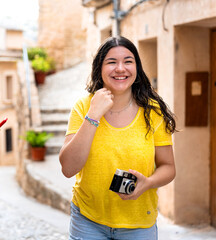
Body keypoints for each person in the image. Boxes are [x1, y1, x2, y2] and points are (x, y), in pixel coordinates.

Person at [59, 36, 176, 240]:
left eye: (128, 61)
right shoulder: (84, 107)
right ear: (100, 69)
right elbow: (68, 168)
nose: (120, 68)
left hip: (139, 223)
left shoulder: (153, 112)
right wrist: (93, 115)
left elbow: (169, 167)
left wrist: (147, 183)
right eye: (111, 62)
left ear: (137, 68)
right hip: (88, 220)